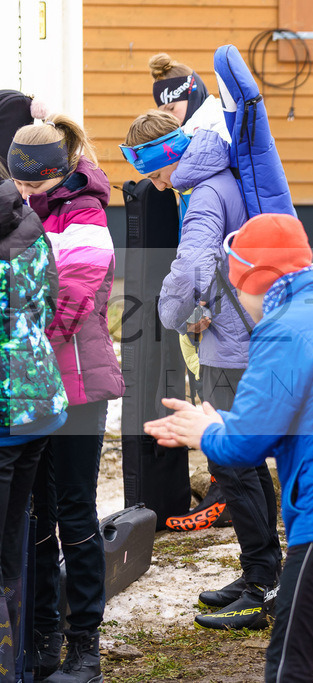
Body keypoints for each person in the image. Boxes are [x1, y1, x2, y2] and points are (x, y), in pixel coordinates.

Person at [143, 212, 313, 683]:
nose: (236, 301)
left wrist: (205, 434)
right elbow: (310, 419)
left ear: (253, 278)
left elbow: (244, 447)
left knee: (290, 662)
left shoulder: (283, 327)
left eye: (235, 285)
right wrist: (223, 422)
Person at [121, 110, 282, 630]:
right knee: (248, 462)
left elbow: (193, 266)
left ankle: (262, 586)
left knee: (234, 464)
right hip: (238, 332)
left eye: (152, 173)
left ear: (168, 156)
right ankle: (262, 572)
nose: (154, 184)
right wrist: (199, 313)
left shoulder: (204, 193)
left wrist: (170, 314)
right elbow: (221, 265)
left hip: (233, 348)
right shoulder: (217, 176)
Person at [8, 114, 125, 682]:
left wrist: (20, 336)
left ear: (58, 174)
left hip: (77, 383)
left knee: (75, 510)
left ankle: (86, 645)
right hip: (36, 385)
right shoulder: (23, 207)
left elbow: (71, 297)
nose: (25, 196)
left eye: (33, 187)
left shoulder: (86, 214)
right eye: (18, 186)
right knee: (35, 513)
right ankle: (41, 633)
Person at [146, 52, 232, 531]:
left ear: (190, 97)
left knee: (216, 381)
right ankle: (224, 475)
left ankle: (227, 488)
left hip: (214, 290)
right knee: (206, 378)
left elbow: (210, 237)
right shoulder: (192, 147)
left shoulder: (203, 144)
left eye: (173, 112)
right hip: (205, 281)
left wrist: (196, 300)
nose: (169, 122)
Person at [0, 178, 68, 683]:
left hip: (6, 413)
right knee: (11, 549)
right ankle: (17, 667)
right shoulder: (31, 224)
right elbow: (49, 301)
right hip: (40, 402)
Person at [148, 53, 229, 140]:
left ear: (192, 95)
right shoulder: (183, 132)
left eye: (172, 108)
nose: (168, 118)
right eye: (163, 114)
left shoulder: (220, 118)